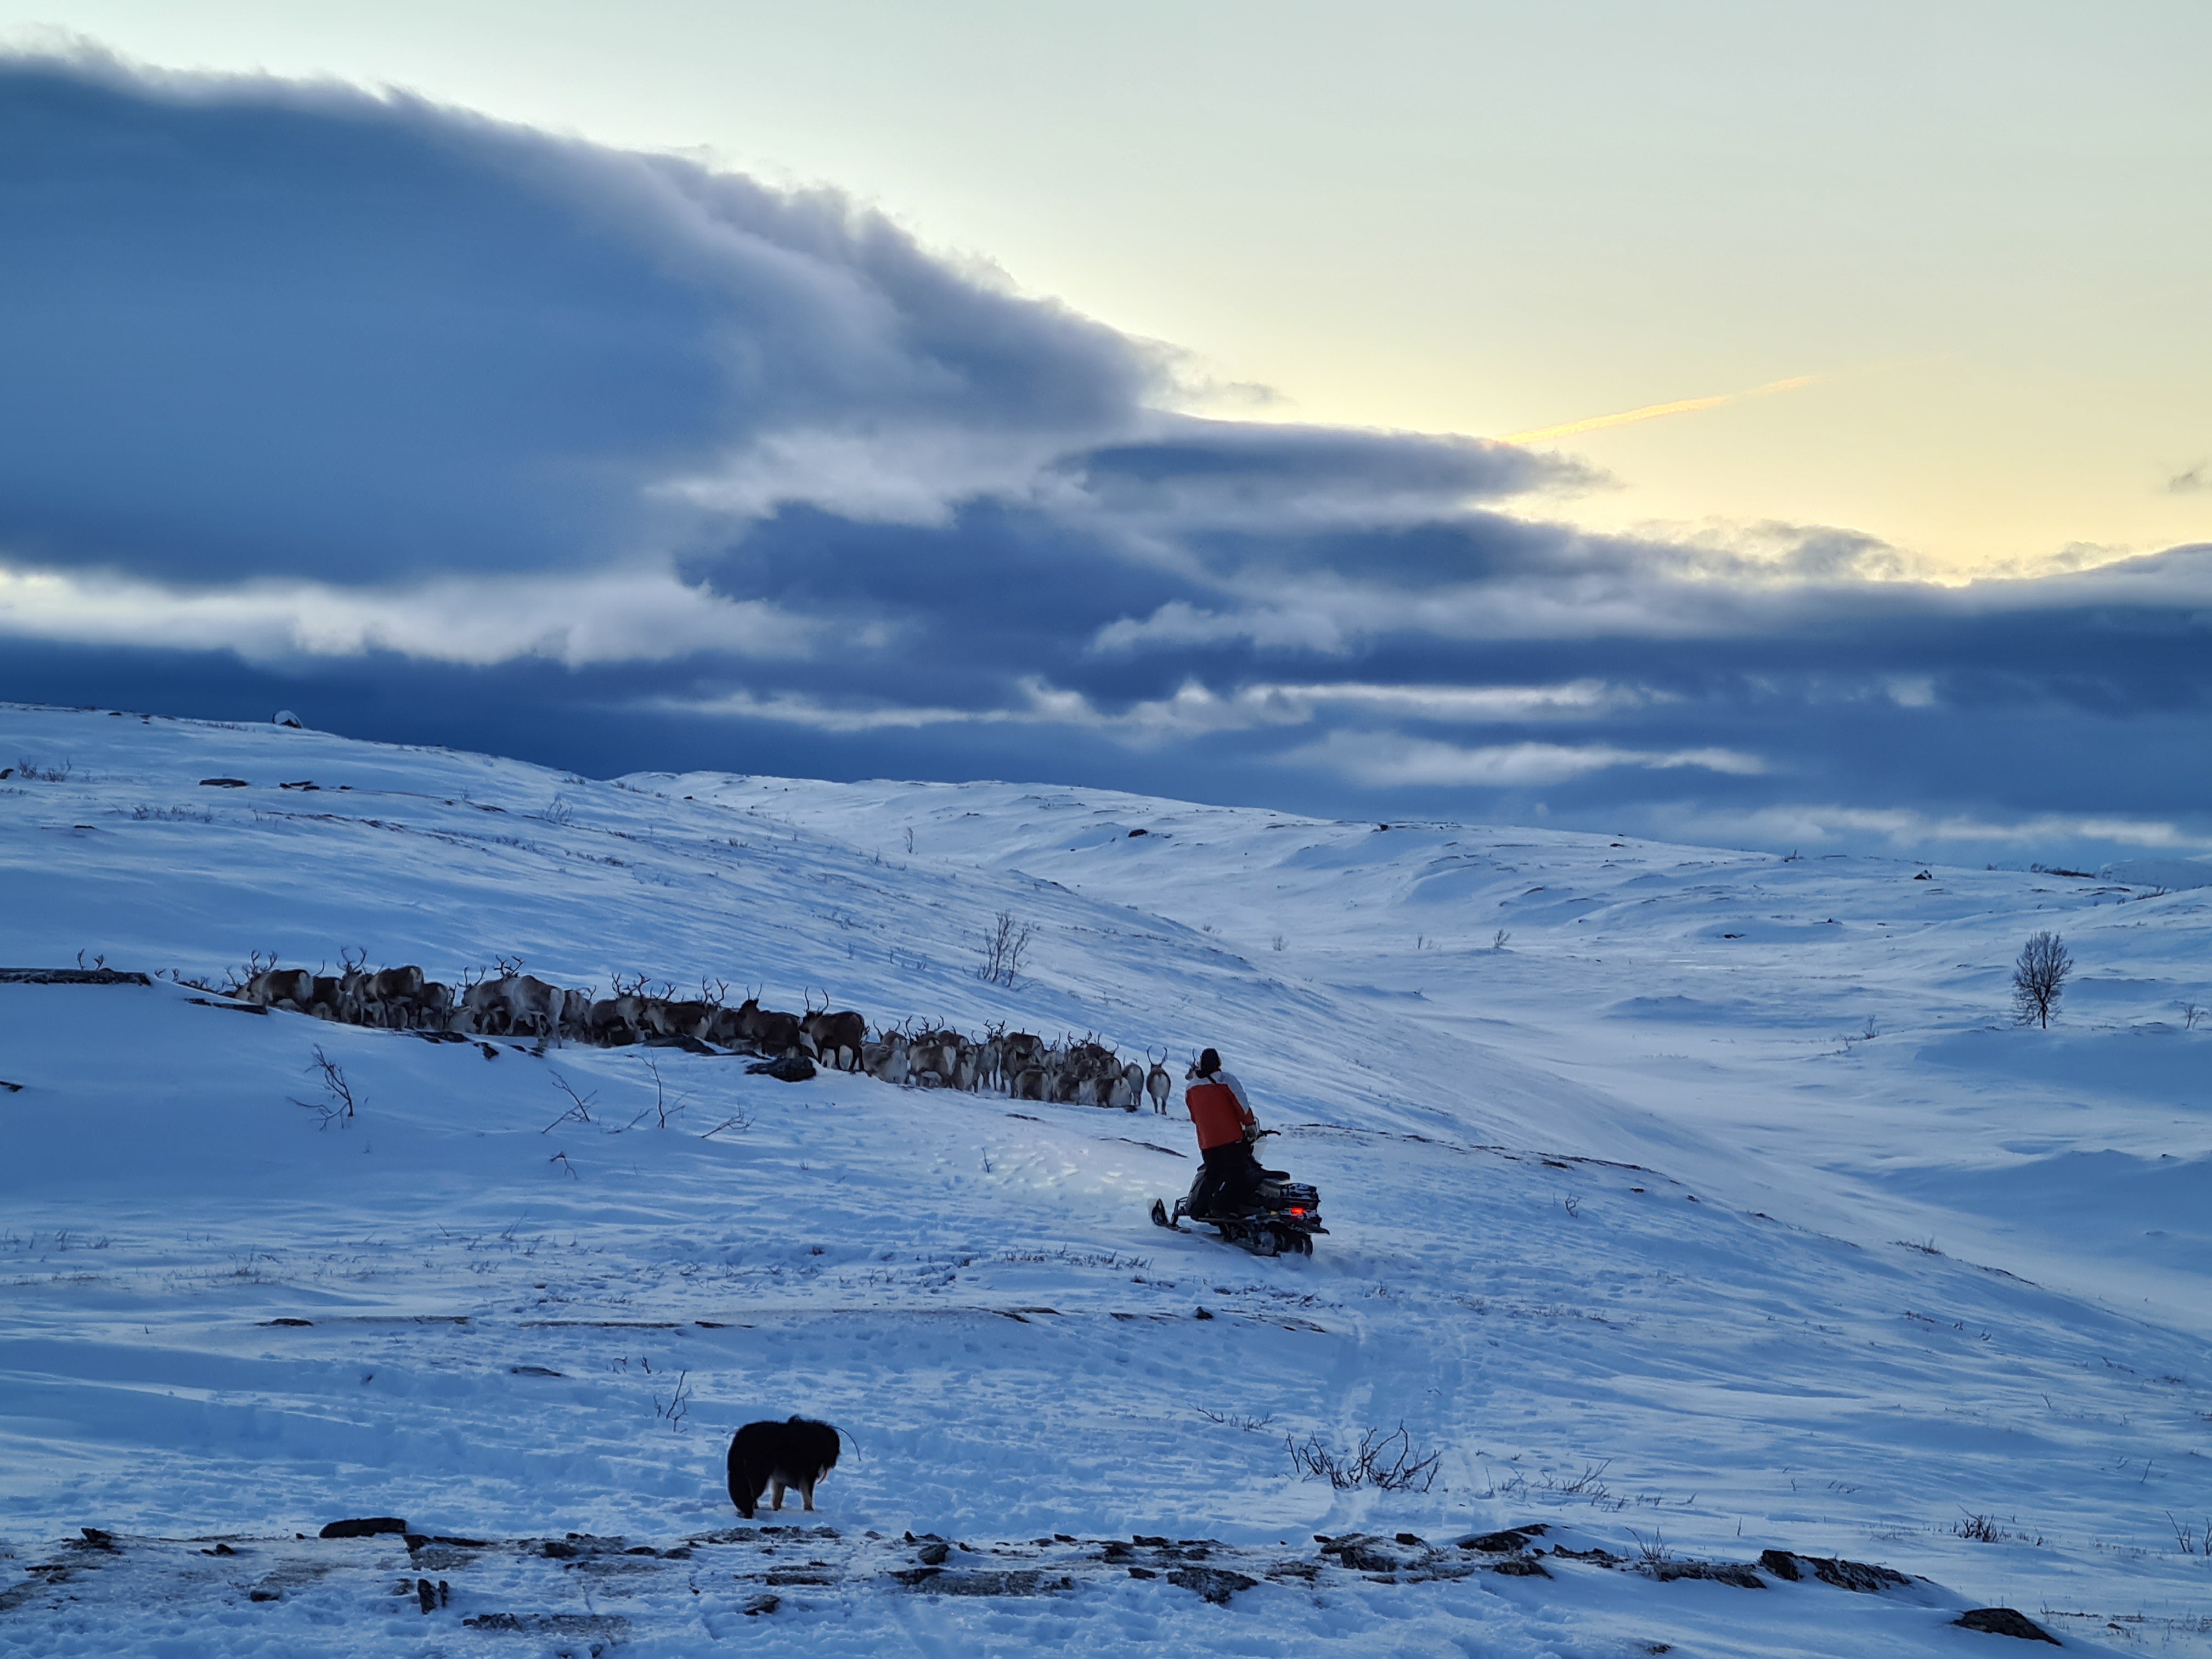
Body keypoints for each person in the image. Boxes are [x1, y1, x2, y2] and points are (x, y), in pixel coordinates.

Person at [1182, 1047, 1265, 1217]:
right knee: (1239, 1176)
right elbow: (1242, 1106)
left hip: (1207, 1142)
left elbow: (1194, 1117)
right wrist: (1250, 1126)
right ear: (1218, 1062)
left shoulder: (1191, 1088)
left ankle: (1200, 1209)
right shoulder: (1227, 1081)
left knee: (1212, 1175)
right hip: (1231, 1139)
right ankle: (1224, 1208)